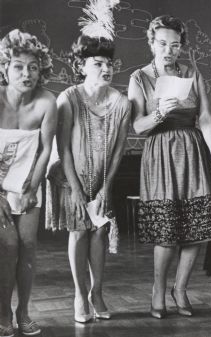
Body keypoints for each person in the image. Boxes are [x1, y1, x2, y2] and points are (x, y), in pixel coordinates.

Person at [128, 15, 211, 318]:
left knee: (196, 228)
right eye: (162, 44)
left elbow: (207, 118)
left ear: (182, 46)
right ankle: (158, 291)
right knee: (167, 231)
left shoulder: (191, 73)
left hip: (193, 151)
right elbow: (137, 126)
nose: (169, 50)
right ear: (152, 43)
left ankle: (180, 289)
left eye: (175, 45)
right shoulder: (140, 77)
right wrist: (159, 113)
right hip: (160, 155)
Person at [48, 34, 131, 323]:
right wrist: (74, 188)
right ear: (82, 66)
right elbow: (64, 148)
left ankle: (97, 292)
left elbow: (119, 149)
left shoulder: (122, 102)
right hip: (71, 177)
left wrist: (106, 186)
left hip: (102, 178)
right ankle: (80, 296)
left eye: (110, 63)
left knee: (100, 231)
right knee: (80, 231)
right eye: (98, 63)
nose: (106, 68)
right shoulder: (68, 98)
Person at [0, 29, 56, 337]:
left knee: (28, 245)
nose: (27, 73)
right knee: (7, 246)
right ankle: (3, 312)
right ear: (5, 67)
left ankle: (23, 312)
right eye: (19, 66)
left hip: (28, 183)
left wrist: (34, 186)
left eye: (33, 67)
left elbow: (46, 148)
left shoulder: (47, 102)